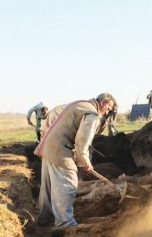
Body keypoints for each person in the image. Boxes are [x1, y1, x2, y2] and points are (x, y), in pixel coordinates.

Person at [34, 93, 117, 228]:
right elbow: (82, 141)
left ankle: (46, 219)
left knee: (49, 185)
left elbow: (53, 114)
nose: (107, 112)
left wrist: (45, 136)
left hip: (47, 147)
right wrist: (85, 162)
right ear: (103, 103)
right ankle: (65, 224)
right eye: (108, 109)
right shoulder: (92, 114)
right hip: (60, 149)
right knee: (68, 183)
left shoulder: (79, 104)